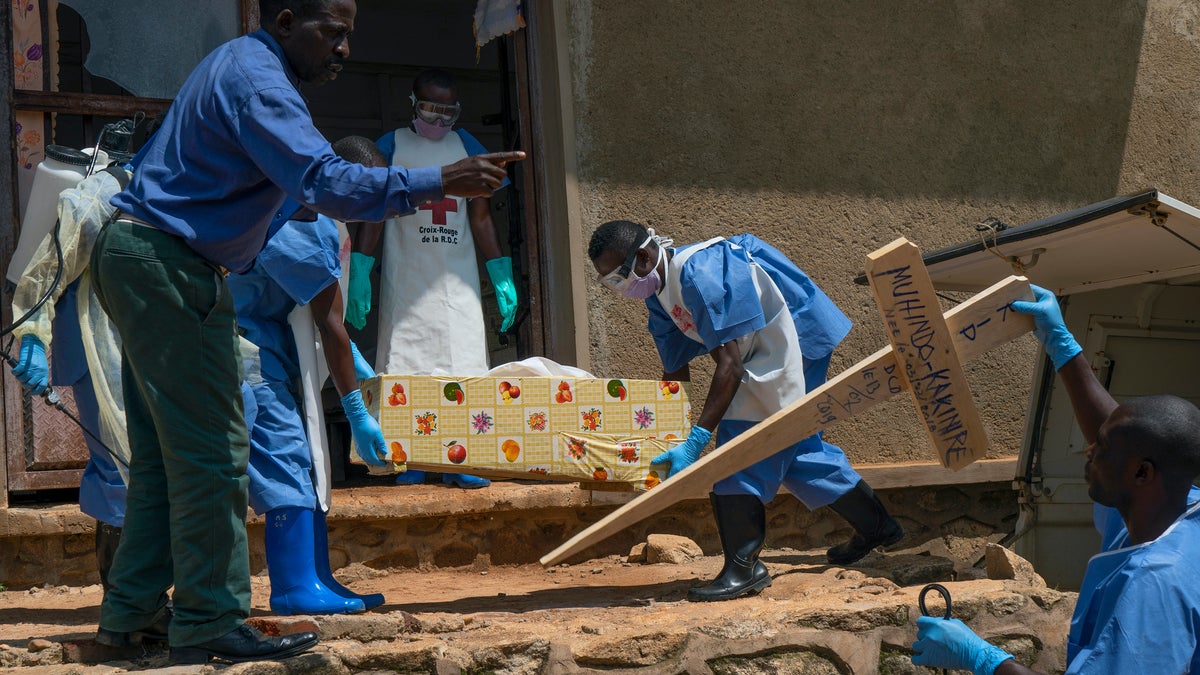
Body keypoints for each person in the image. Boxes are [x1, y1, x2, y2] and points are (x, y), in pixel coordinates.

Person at [88, 0, 523, 664]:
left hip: (145, 256)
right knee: (213, 452)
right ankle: (208, 618)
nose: (344, 48)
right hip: (170, 266)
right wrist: (441, 178)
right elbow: (325, 182)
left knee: (161, 459)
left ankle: (133, 613)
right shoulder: (259, 80)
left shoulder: (242, 69)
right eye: (333, 32)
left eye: (351, 35)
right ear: (287, 21)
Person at [588, 220, 903, 603]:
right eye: (610, 284)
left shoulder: (700, 272)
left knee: (743, 444)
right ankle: (879, 526)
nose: (621, 289)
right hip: (762, 347)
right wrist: (664, 435)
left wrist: (697, 441)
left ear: (643, 255)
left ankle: (745, 567)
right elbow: (674, 372)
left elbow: (731, 365)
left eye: (620, 277)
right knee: (796, 447)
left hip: (795, 337)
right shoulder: (657, 292)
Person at [910, 284, 1200, 674]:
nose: (1088, 450)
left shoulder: (1153, 587)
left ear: (1141, 473)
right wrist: (1062, 345)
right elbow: (1123, 433)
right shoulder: (1173, 508)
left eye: (1101, 448)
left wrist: (984, 658)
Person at [226, 135, 395, 616]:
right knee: (286, 461)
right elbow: (330, 323)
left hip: (269, 352)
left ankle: (316, 576)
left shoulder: (298, 207)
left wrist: (353, 361)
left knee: (308, 463)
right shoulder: (297, 221)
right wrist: (356, 410)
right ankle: (295, 588)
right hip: (248, 357)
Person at [349, 67, 517, 490]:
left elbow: (480, 218)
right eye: (430, 110)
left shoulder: (468, 148)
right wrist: (360, 270)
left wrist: (501, 273)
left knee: (464, 365)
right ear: (412, 104)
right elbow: (375, 214)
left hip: (456, 279)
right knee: (406, 364)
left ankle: (463, 457)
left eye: (449, 113)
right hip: (406, 277)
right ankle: (410, 457)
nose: (439, 122)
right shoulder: (392, 146)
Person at [10, 162, 133, 595]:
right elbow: (46, 271)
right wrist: (31, 339)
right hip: (96, 351)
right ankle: (127, 604)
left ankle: (141, 601)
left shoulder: (171, 193)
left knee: (142, 471)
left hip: (141, 352)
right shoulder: (100, 194)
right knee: (119, 470)